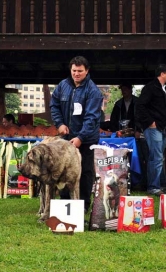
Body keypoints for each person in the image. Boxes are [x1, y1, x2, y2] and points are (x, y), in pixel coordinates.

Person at [50, 56, 103, 213]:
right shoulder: (62, 86)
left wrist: (81, 137)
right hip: (66, 139)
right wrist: (59, 124)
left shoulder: (93, 91)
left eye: (80, 71)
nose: (76, 74)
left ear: (87, 71)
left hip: (87, 140)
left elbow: (92, 117)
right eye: (74, 70)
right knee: (65, 170)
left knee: (85, 171)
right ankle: (65, 203)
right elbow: (54, 105)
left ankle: (84, 204)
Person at [135, 64, 166, 196]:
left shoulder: (165, 89)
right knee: (156, 157)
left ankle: (160, 185)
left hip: (161, 128)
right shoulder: (150, 88)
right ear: (162, 74)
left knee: (158, 157)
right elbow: (140, 106)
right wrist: (150, 122)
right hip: (154, 128)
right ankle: (154, 187)